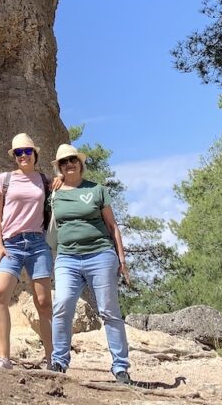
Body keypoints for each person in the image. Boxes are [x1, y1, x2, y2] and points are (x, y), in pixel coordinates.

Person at [48, 143, 132, 385]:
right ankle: (59, 362)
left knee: (109, 311)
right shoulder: (53, 193)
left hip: (100, 255)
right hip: (67, 258)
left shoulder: (96, 190)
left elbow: (112, 226)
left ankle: (120, 367)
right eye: (64, 162)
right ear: (60, 168)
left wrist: (122, 259)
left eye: (73, 160)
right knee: (62, 304)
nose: (69, 164)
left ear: (81, 163)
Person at [0, 132, 53, 370]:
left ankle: (51, 359)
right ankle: (4, 357)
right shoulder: (5, 179)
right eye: (18, 153)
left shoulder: (44, 181)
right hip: (11, 244)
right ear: (14, 156)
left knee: (44, 302)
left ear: (35, 154)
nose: (23, 156)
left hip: (37, 244)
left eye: (27, 151)